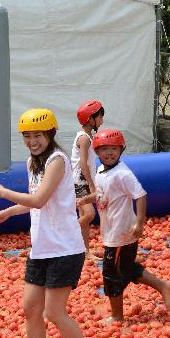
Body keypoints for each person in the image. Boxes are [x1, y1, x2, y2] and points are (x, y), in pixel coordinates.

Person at [0, 109, 95, 338]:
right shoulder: (34, 162)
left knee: (55, 312)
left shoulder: (57, 161)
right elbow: (35, 201)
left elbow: (40, 199)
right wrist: (7, 212)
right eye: (28, 136)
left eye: (38, 135)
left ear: (50, 134)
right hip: (42, 248)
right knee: (30, 308)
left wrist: (3, 193)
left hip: (65, 248)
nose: (33, 141)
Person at [78, 129, 170, 322]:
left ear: (121, 149)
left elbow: (140, 195)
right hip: (112, 231)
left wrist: (139, 222)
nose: (109, 153)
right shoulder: (100, 171)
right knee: (127, 268)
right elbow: (102, 194)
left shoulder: (122, 173)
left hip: (122, 232)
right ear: (97, 152)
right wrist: (85, 199)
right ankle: (163, 286)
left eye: (114, 149)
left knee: (111, 273)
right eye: (104, 149)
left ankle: (116, 316)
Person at [72, 100, 104, 254]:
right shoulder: (84, 138)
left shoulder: (87, 137)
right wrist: (91, 184)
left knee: (84, 219)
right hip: (80, 183)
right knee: (90, 214)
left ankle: (85, 252)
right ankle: (65, 234)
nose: (102, 119)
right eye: (100, 116)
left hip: (82, 181)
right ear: (90, 119)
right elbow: (83, 164)